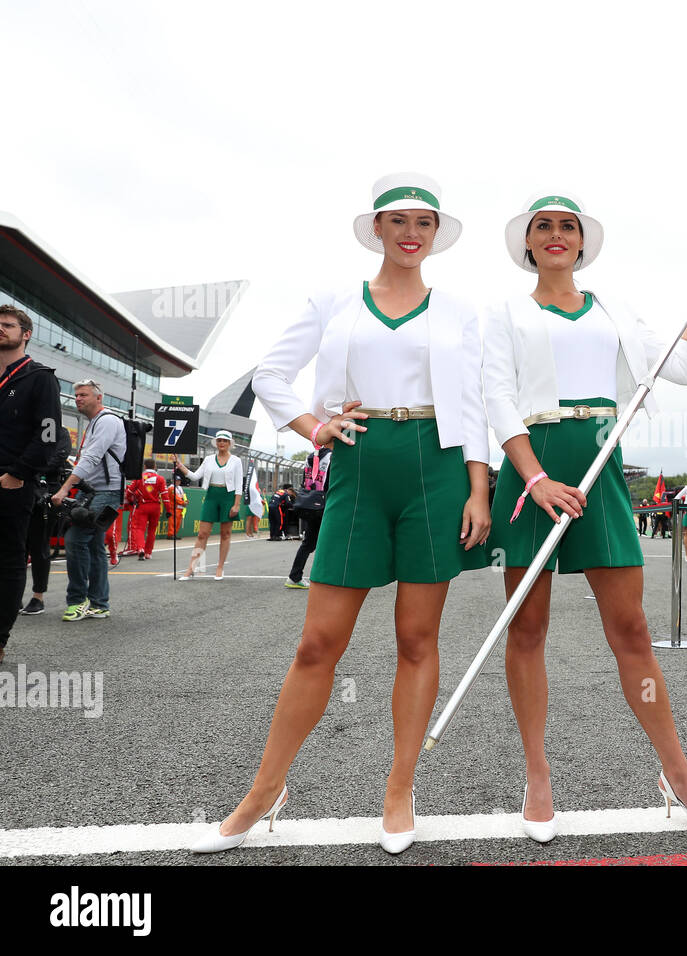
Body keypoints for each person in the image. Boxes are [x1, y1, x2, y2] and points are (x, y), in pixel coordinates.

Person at [191, 172, 490, 857]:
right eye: (398, 221)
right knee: (316, 643)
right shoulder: (333, 300)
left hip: (436, 466)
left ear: (437, 234)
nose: (411, 233)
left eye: (424, 222)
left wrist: (478, 489)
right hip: (359, 461)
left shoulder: (461, 313)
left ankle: (400, 787)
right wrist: (310, 426)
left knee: (417, 638)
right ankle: (265, 789)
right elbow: (269, 374)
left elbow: (474, 404)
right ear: (376, 229)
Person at [482, 190, 687, 842]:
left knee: (632, 632)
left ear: (582, 243)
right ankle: (537, 775)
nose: (558, 234)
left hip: (599, 464)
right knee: (527, 629)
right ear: (528, 243)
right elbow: (496, 397)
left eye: (569, 226)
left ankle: (677, 775)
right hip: (531, 467)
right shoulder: (506, 314)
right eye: (545, 227)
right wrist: (533, 476)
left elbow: (681, 366)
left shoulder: (614, 311)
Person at [0, 305, 62, 661]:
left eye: (8, 325)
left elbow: (49, 436)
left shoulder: (39, 377)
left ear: (26, 334)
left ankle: (0, 638)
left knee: (7, 562)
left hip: (11, 483)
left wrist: (17, 474)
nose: (1, 329)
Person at [50, 380, 126, 622]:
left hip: (107, 491)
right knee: (93, 546)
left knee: (74, 539)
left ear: (98, 398)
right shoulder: (95, 423)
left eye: (83, 395)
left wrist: (64, 489)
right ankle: (99, 603)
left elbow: (91, 457)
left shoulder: (107, 421)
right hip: (93, 490)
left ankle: (78, 600)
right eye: (76, 395)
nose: (78, 399)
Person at [173, 430, 244, 581]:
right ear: (216, 443)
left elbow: (239, 484)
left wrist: (236, 505)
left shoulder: (236, 461)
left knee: (225, 534)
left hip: (228, 497)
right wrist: (179, 464)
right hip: (211, 495)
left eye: (225, 441)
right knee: (202, 533)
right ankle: (191, 568)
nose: (222, 443)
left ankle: (220, 567)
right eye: (219, 440)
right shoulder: (209, 459)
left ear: (230, 443)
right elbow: (194, 476)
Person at [19, 423, 70, 616]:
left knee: (39, 547)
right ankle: (14, 596)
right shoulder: (24, 429)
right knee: (16, 547)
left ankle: (38, 596)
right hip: (20, 489)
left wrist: (30, 467)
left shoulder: (60, 432)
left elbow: (58, 457)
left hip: (45, 494)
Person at [284, 447, 329, 590]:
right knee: (331, 542)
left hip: (310, 504)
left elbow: (305, 481)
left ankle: (294, 576)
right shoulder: (333, 457)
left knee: (308, 543)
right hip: (326, 504)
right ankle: (326, 577)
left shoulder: (311, 457)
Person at [124, 458, 166, 560]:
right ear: (155, 466)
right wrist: (168, 510)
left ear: (144, 466)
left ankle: (141, 549)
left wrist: (130, 500)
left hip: (142, 506)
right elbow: (165, 496)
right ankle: (148, 553)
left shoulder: (139, 478)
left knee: (140, 529)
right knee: (152, 530)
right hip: (155, 507)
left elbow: (128, 492)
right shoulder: (160, 479)